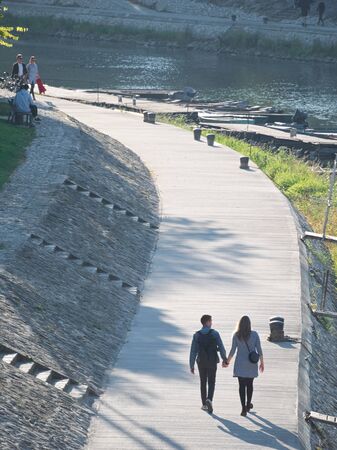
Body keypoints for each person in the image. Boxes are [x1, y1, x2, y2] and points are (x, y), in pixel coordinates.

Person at [226, 316, 264, 417]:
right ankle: (248, 404)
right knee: (250, 385)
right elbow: (259, 350)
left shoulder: (236, 335)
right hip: (251, 364)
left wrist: (227, 362)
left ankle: (243, 408)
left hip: (240, 364)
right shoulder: (255, 335)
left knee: (241, 386)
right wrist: (262, 362)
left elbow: (233, 350)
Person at [190, 314, 227, 414]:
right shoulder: (215, 333)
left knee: (203, 382)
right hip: (212, 360)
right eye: (211, 321)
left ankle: (204, 404)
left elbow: (193, 351)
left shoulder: (196, 335)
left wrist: (191, 365)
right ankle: (209, 399)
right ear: (207, 322)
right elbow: (221, 347)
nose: (212, 323)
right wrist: (225, 359)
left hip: (201, 361)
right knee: (211, 382)